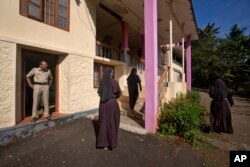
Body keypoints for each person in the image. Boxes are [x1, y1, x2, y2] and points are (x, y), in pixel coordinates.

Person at [97, 68, 121, 150]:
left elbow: (100, 94)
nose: (112, 74)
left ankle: (103, 144)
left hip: (103, 105)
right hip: (112, 104)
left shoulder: (102, 82)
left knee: (103, 122)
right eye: (112, 73)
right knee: (112, 122)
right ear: (110, 74)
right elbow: (119, 93)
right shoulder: (114, 82)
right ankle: (112, 143)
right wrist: (114, 97)